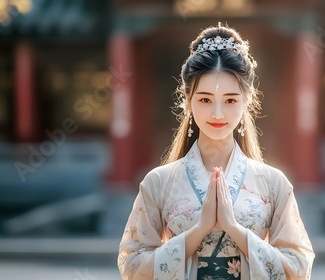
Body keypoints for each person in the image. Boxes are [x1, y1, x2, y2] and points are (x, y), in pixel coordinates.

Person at [117, 23, 314, 280]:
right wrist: (199, 229)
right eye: (205, 100)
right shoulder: (158, 182)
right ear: (188, 100)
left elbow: (298, 269)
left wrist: (234, 229)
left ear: (247, 101)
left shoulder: (274, 184)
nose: (218, 113)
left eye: (230, 100)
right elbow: (132, 266)